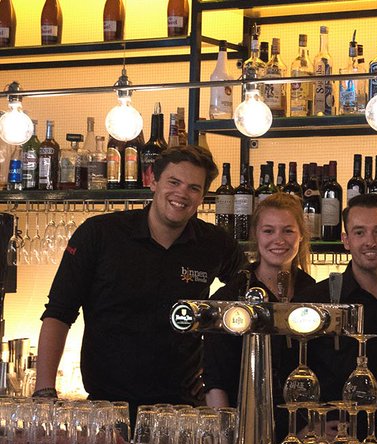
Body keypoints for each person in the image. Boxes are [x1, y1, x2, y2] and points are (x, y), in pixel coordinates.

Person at [35, 145, 243, 413]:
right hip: (107, 408)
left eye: (194, 187)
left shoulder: (215, 243)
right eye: (174, 182)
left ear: (203, 196)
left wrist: (214, 367)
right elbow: (59, 314)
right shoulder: (99, 235)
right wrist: (44, 393)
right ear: (152, 181)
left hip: (182, 412)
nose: (182, 193)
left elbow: (249, 297)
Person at [292, 193, 377, 403]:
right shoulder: (315, 300)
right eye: (359, 232)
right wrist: (310, 424)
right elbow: (293, 370)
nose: (370, 241)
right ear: (345, 240)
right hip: (336, 429)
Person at [203, 193, 316, 409]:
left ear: (301, 235)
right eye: (268, 231)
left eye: (288, 231)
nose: (279, 240)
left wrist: (313, 426)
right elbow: (215, 380)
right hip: (243, 424)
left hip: (304, 428)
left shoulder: (314, 294)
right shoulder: (229, 296)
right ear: (256, 234)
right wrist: (228, 435)